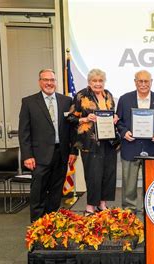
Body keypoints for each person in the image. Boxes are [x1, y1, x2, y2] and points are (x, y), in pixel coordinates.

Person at [19, 69, 78, 222]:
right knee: (38, 193)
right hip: (38, 157)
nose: (49, 83)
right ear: (40, 82)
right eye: (45, 80)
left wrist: (73, 151)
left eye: (52, 80)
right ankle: (37, 228)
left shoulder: (66, 101)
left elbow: (72, 129)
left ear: (56, 82)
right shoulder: (29, 102)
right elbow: (24, 132)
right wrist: (27, 155)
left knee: (56, 192)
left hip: (62, 154)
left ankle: (50, 224)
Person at [68, 69, 118, 216]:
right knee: (93, 175)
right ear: (89, 82)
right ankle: (90, 206)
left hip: (108, 141)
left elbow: (111, 113)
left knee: (108, 173)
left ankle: (102, 204)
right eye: (94, 81)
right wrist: (85, 118)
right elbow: (70, 118)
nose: (98, 84)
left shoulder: (108, 95)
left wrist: (115, 118)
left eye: (100, 81)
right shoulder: (81, 96)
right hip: (89, 143)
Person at [116, 70, 154, 212]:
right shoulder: (124, 99)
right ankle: (129, 211)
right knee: (129, 184)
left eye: (146, 81)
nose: (143, 84)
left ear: (151, 82)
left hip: (151, 148)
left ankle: (149, 209)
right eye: (140, 81)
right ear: (135, 82)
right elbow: (118, 121)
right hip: (130, 147)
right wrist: (124, 132)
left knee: (151, 183)